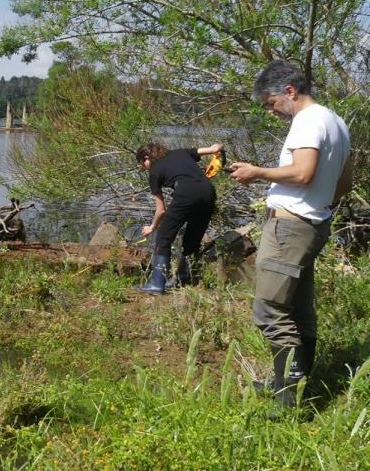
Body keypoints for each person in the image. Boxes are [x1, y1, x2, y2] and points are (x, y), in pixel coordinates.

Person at [230, 60, 353, 408]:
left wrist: (257, 172)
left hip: (290, 226)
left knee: (269, 309)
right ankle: (293, 384)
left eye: (271, 104)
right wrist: (318, 204)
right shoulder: (337, 122)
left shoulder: (308, 120)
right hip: (313, 224)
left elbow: (302, 172)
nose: (272, 112)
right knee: (298, 308)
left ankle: (287, 402)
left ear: (289, 91)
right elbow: (346, 182)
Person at [135, 141, 224, 294]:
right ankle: (184, 278)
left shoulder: (155, 171)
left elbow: (161, 210)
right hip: (208, 192)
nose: (145, 168)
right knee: (193, 237)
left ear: (146, 158)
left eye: (143, 164)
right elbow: (212, 149)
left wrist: (152, 227)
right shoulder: (180, 152)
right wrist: (217, 150)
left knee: (163, 237)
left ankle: (157, 283)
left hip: (186, 193)